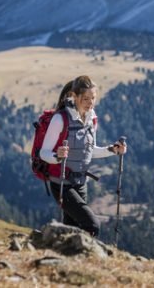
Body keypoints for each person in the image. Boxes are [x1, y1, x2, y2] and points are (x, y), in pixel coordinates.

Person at [39, 75, 127, 236]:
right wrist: (57, 156)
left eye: (93, 98)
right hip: (61, 184)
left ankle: (64, 257)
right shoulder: (60, 119)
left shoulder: (92, 118)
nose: (90, 103)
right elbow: (43, 153)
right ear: (75, 96)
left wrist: (112, 150)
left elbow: (89, 150)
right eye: (86, 98)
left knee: (72, 230)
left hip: (81, 182)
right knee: (92, 225)